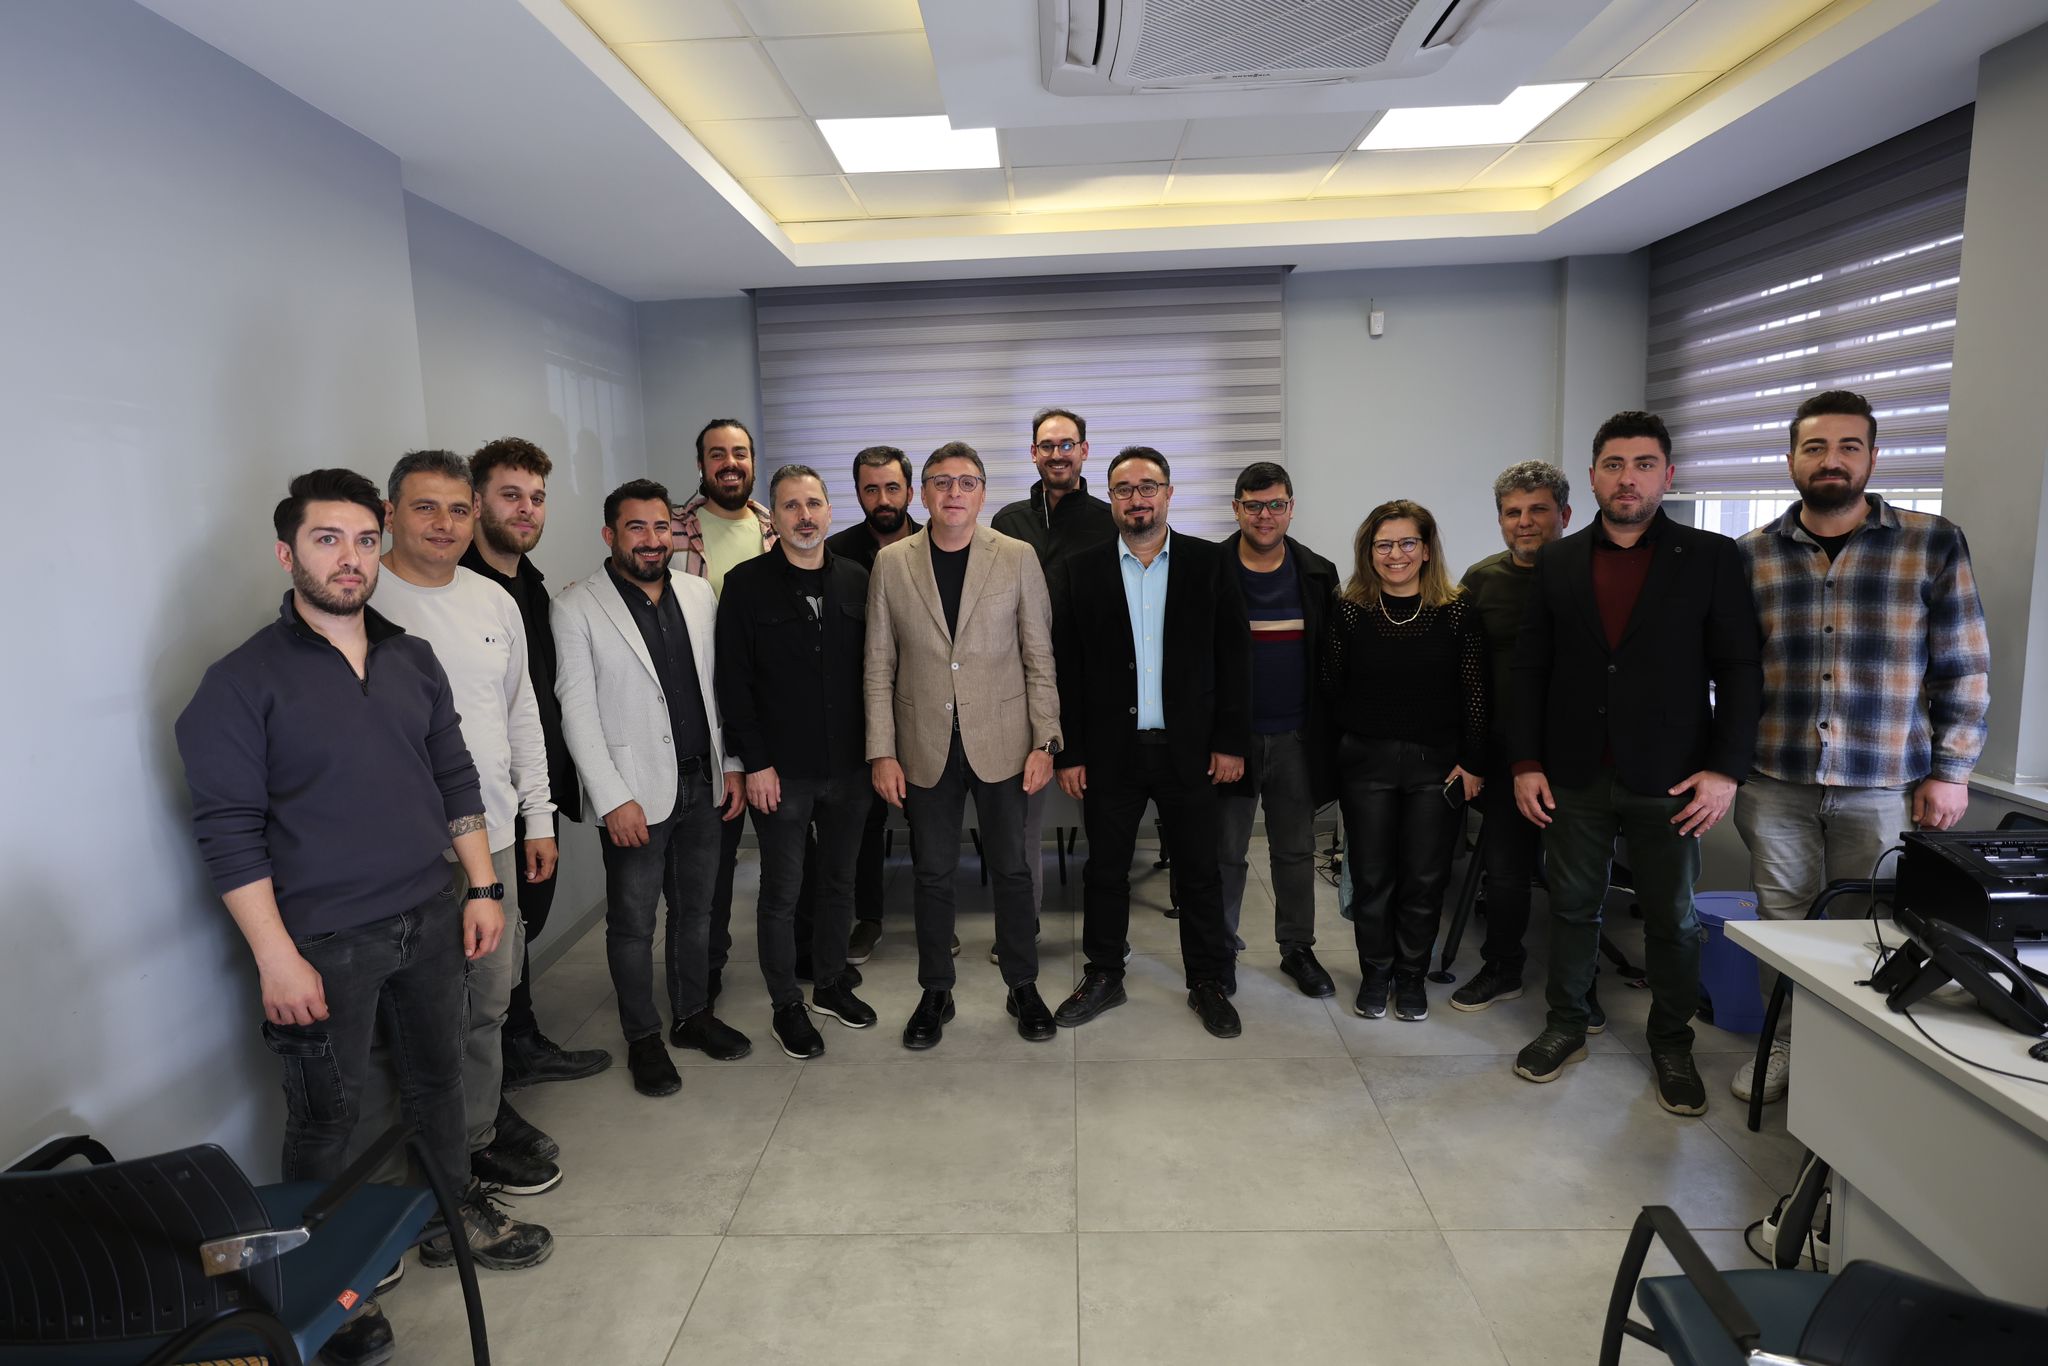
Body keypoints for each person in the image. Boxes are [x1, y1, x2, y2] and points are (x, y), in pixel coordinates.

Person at [175, 471, 548, 1364]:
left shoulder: (410, 657)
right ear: (287, 554)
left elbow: (454, 776)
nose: (350, 558)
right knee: (327, 1117)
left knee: (438, 1081)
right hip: (323, 941)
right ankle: (325, 1282)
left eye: (363, 540)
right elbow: (228, 834)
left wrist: (481, 888)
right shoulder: (240, 683)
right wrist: (275, 957)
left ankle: (447, 1213)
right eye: (327, 540)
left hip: (429, 911)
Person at [1732, 389, 1989, 1104]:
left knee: (1870, 928)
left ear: (1873, 458)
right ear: (1791, 460)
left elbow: (1964, 664)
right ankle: (1785, 1043)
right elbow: (1732, 670)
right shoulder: (1752, 554)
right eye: (1815, 447)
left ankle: (1847, 1063)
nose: (1832, 461)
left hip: (1883, 781)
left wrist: (1952, 771)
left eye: (1849, 447)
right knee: (1782, 924)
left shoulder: (1932, 542)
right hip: (1775, 777)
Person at [1509, 411, 1762, 1118]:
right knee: (1571, 907)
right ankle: (1566, 1025)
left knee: (1673, 920)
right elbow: (1530, 669)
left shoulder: (1710, 557)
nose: (1628, 478)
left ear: (1667, 476)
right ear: (1592, 477)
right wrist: (1525, 760)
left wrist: (1725, 770)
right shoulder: (1558, 561)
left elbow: (1739, 669)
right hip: (1575, 773)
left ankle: (1672, 1044)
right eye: (1614, 465)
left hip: (1674, 776)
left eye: (1644, 464)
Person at [371, 450, 564, 1202]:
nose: (444, 524)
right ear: (391, 513)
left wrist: (539, 816)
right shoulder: (364, 597)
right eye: (426, 507)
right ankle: (416, 1173)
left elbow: (522, 715)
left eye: (458, 509)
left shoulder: (493, 601)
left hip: (495, 838)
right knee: (412, 1015)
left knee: (488, 999)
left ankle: (474, 1144)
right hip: (405, 851)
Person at [553, 479, 749, 1098]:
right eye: (636, 527)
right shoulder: (576, 606)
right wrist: (612, 798)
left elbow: (720, 688)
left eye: (661, 526)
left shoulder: (697, 593)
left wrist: (732, 763)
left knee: (696, 912)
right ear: (610, 535)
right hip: (634, 793)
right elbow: (577, 712)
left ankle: (692, 1016)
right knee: (634, 923)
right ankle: (643, 1036)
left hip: (703, 781)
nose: (651, 539)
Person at [864, 441, 1062, 1049]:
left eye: (967, 482)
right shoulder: (892, 563)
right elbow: (878, 665)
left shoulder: (1016, 556)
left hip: (1004, 742)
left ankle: (1022, 985)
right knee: (931, 873)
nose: (954, 492)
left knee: (1012, 869)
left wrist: (1046, 742)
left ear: (982, 493)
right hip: (923, 745)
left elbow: (1038, 656)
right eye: (942, 482)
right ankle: (936, 992)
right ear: (922, 493)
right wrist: (882, 751)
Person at [1051, 447, 1251, 1039]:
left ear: (1168, 493)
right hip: (1110, 752)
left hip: (1191, 750)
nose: (1136, 499)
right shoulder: (1081, 570)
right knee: (1105, 870)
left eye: (1148, 487)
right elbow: (1068, 668)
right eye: (1123, 489)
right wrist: (1070, 751)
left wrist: (1231, 741)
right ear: (1110, 498)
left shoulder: (1210, 564)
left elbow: (1235, 659)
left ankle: (1208, 980)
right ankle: (1104, 974)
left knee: (1199, 871)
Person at [461, 436, 612, 1088]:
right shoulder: (459, 590)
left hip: (535, 797)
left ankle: (517, 1045)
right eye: (511, 495)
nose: (526, 509)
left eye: (537, 497)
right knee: (495, 936)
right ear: (476, 502)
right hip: (484, 805)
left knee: (525, 925)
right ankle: (496, 1068)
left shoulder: (535, 588)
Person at [717, 465, 879, 1058]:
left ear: (830, 511)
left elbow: (877, 671)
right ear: (774, 518)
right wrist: (754, 763)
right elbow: (733, 682)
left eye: (813, 504)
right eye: (790, 506)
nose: (804, 516)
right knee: (782, 893)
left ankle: (830, 982)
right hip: (781, 773)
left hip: (851, 767)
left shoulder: (859, 579)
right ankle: (786, 1003)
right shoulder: (745, 585)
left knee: (839, 883)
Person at [1324, 500, 1486, 1024]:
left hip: (1436, 767)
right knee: (1372, 878)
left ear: (1427, 549)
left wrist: (1473, 762)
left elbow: (1475, 692)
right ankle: (1376, 973)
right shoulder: (1350, 609)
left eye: (1407, 542)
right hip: (1366, 764)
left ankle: (1411, 976)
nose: (1396, 554)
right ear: (1368, 552)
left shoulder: (1456, 609)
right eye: (1384, 545)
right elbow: (1330, 688)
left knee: (1424, 878)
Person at [989, 407, 1120, 958]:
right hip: (1020, 687)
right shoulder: (1007, 522)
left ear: (1084, 451)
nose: (1058, 454)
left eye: (1068, 444)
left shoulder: (1109, 520)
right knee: (1022, 820)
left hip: (1091, 687)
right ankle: (1023, 927)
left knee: (1105, 819)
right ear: (1033, 454)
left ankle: (1106, 937)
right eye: (1047, 446)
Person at [1451, 462, 1575, 1014]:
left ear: (1564, 513)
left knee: (1577, 880)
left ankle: (1578, 986)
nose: (1525, 522)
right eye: (1512, 512)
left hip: (1576, 755)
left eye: (1538, 510)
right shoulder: (1481, 581)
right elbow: (1462, 672)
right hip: (1505, 755)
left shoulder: (1587, 573)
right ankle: (1503, 968)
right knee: (1504, 872)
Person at [1217, 460, 1340, 998]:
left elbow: (1331, 662)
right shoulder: (1210, 569)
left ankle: (1297, 949)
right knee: (1225, 853)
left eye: (1275, 504)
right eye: (1253, 505)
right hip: (1231, 742)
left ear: (1291, 508)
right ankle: (1218, 948)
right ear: (1236, 508)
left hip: (1297, 739)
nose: (1264, 515)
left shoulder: (1318, 573)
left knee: (1294, 851)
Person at [671, 418, 778, 1007]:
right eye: (717, 454)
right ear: (702, 464)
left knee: (790, 855)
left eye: (740, 453)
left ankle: (799, 959)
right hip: (704, 718)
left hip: (771, 720)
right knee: (711, 862)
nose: (730, 463)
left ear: (753, 461)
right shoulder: (671, 531)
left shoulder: (775, 527)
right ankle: (703, 971)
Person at [823, 445, 920, 963]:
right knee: (863, 822)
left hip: (927, 709)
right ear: (858, 493)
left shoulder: (940, 543)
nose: (883, 499)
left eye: (892, 487)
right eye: (871, 489)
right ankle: (869, 918)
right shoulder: (834, 554)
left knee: (929, 821)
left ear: (910, 490)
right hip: (860, 714)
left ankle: (934, 918)